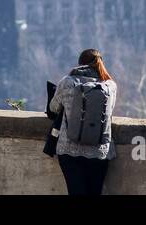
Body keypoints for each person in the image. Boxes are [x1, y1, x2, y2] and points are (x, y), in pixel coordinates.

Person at [48, 48, 117, 196]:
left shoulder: (67, 82)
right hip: (99, 152)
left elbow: (53, 108)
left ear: (79, 64)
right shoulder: (110, 86)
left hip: (69, 150)